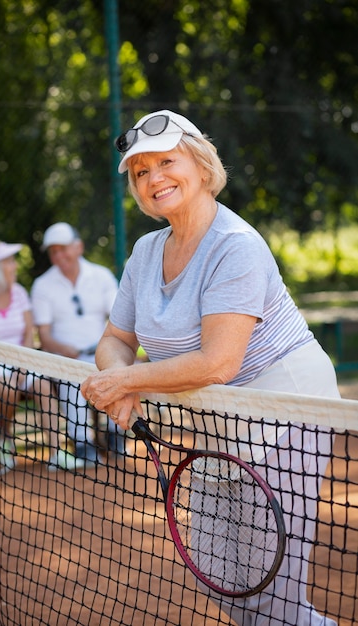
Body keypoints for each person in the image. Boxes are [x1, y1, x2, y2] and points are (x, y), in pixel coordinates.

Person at [81, 110, 340, 625]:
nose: (155, 178)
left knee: (273, 601)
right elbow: (115, 339)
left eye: (167, 162)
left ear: (200, 166)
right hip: (215, 422)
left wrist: (125, 379)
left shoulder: (235, 246)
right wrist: (120, 382)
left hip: (285, 413)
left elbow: (219, 362)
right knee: (224, 583)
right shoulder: (145, 251)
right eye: (141, 172)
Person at [0, 241, 83, 472]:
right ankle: (6, 440)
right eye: (9, 261)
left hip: (21, 359)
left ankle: (57, 452)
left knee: (44, 387)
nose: (15, 266)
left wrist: (23, 363)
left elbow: (28, 334)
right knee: (7, 389)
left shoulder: (19, 293)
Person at [31, 222, 122, 467]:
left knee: (121, 372)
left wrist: (108, 352)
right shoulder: (42, 285)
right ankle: (82, 443)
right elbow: (45, 336)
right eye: (53, 251)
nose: (59, 256)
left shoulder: (101, 276)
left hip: (102, 355)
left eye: (63, 248)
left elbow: (118, 319)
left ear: (78, 246)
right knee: (73, 382)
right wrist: (64, 351)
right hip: (65, 361)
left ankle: (116, 436)